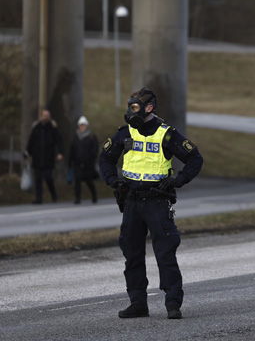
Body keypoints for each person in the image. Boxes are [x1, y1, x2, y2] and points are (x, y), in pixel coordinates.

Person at [99, 88, 203, 320]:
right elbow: (105, 158)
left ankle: (173, 303)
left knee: (165, 254)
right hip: (132, 202)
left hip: (157, 201)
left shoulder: (167, 134)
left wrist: (179, 180)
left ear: (149, 108)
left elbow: (195, 158)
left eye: (135, 107)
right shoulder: (125, 133)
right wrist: (113, 181)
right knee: (132, 254)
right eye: (129, 106)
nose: (131, 111)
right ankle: (138, 304)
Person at [25, 109, 64, 204]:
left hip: (48, 158)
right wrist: (27, 153)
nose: (45, 117)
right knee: (38, 179)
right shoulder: (36, 128)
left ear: (49, 117)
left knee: (48, 178)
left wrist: (60, 152)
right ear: (41, 116)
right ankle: (39, 198)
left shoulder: (53, 129)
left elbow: (59, 141)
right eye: (44, 115)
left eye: (47, 115)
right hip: (37, 158)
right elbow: (31, 142)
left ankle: (54, 194)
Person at [69, 116, 99, 204]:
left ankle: (94, 195)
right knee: (77, 180)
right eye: (81, 125)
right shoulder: (76, 137)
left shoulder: (91, 136)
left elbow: (95, 149)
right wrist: (70, 161)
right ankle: (77, 198)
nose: (82, 127)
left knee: (89, 181)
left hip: (88, 164)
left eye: (84, 125)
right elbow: (72, 149)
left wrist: (91, 158)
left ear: (86, 126)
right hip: (77, 163)